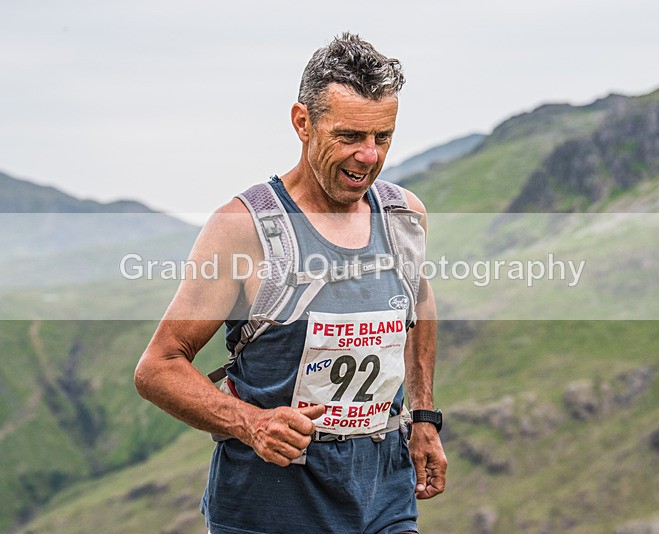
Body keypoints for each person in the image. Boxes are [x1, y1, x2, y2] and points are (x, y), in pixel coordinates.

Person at [134, 32, 446, 533]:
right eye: (349, 137)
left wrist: (424, 417)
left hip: (383, 500)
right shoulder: (244, 229)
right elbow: (158, 367)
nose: (369, 156)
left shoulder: (404, 216)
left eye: (382, 137)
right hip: (268, 510)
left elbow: (418, 306)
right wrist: (251, 424)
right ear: (303, 122)